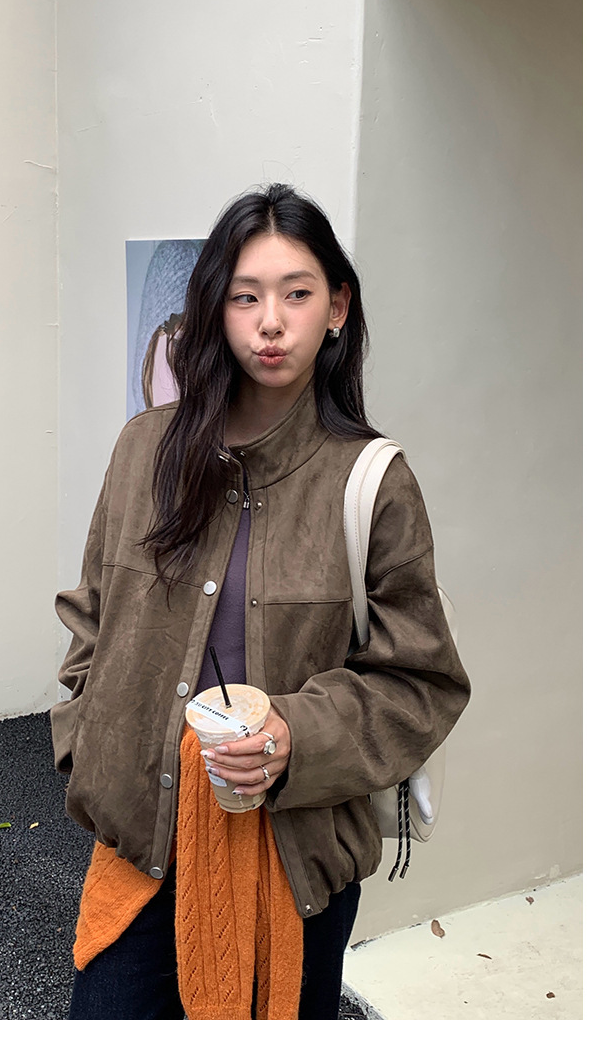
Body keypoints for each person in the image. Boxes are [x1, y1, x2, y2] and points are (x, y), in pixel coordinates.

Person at [51, 183, 471, 1020]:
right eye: (245, 297)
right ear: (216, 309)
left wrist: (295, 737)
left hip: (292, 853)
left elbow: (422, 682)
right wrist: (85, 745)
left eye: (296, 294)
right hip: (143, 840)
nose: (270, 322)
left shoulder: (372, 482)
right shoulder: (144, 451)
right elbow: (92, 613)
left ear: (337, 307)